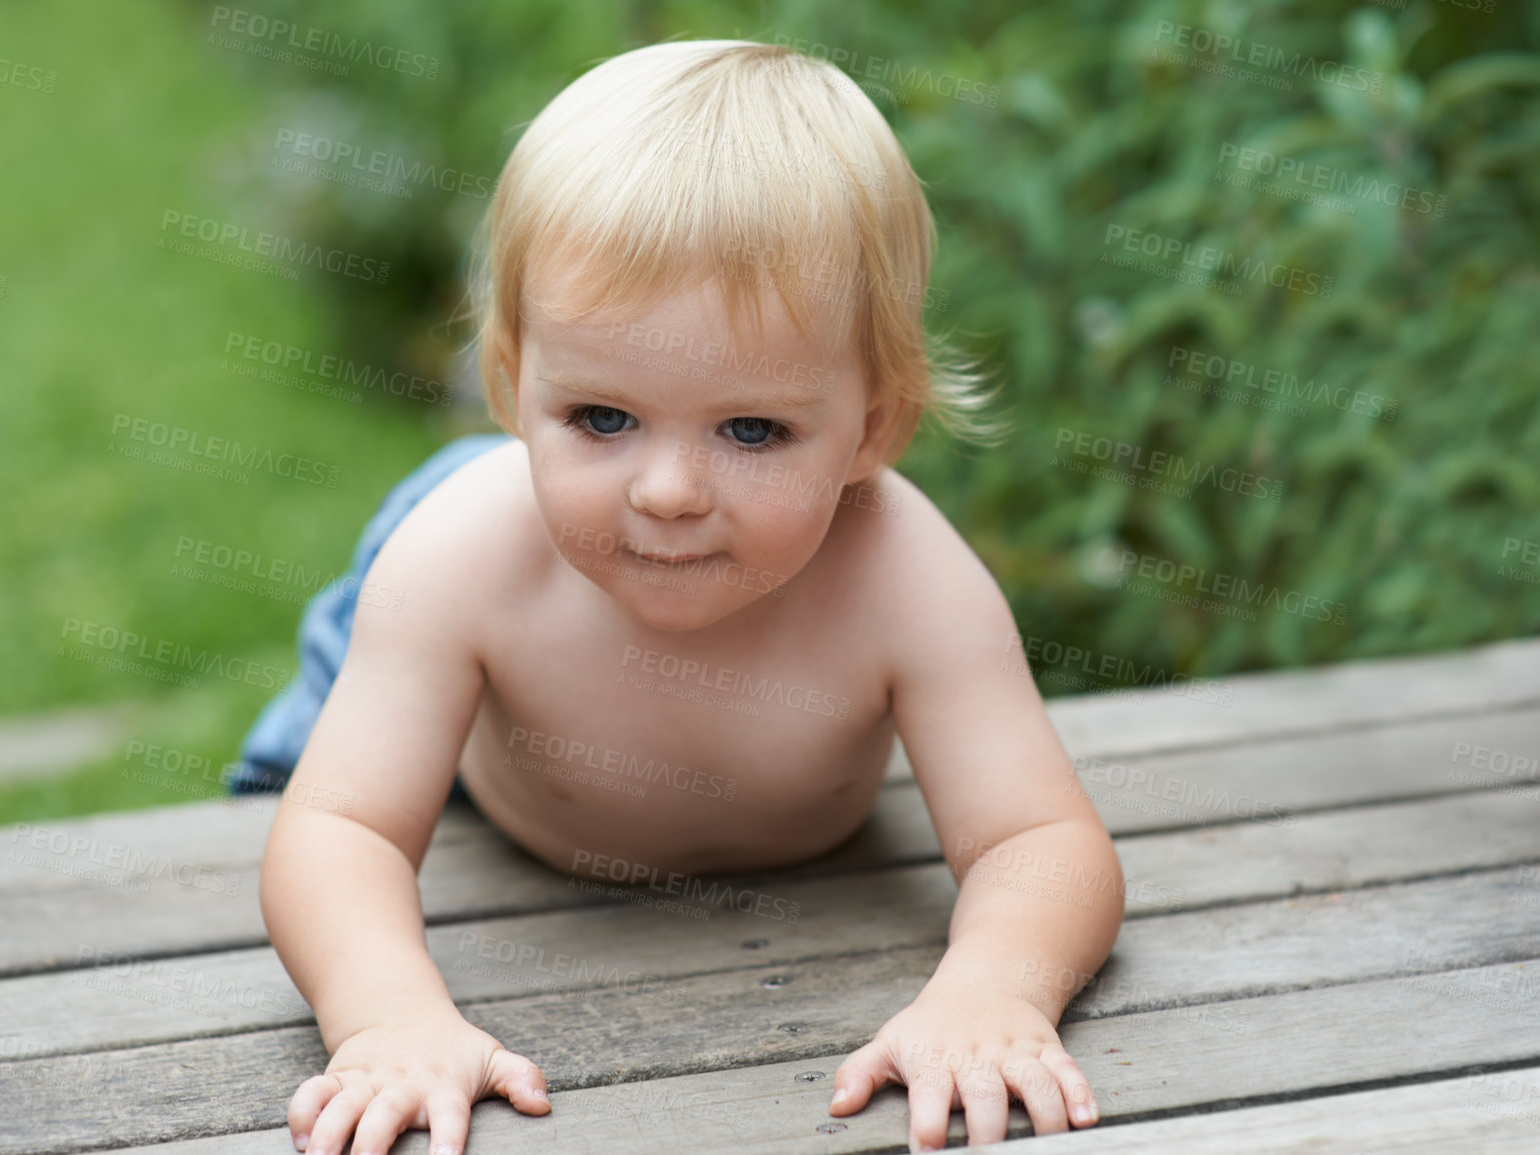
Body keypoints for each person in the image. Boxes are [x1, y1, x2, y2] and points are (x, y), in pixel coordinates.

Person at [248, 38, 1123, 1155]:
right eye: (602, 416)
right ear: (514, 388)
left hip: (550, 539)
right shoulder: (465, 561)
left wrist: (995, 994)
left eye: (751, 429)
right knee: (323, 754)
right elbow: (341, 829)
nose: (667, 492)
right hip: (476, 584)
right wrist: (388, 1018)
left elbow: (1042, 839)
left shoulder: (906, 576)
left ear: (873, 429)